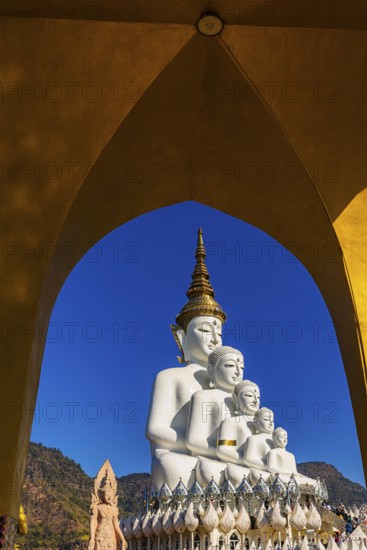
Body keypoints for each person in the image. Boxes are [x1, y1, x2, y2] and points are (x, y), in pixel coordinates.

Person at [145, 229, 226, 489]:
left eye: (219, 331)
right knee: (177, 468)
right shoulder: (169, 377)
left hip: (222, 459)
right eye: (204, 329)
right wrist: (200, 442)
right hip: (180, 459)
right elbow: (155, 430)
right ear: (181, 337)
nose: (214, 338)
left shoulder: (229, 389)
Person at [88, 470, 126, 550]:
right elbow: (93, 522)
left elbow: (116, 525)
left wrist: (122, 538)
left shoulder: (114, 509)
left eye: (111, 495)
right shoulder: (97, 507)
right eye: (107, 494)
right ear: (101, 494)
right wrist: (91, 537)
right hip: (100, 535)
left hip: (111, 537)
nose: (109, 497)